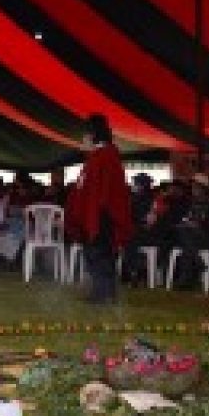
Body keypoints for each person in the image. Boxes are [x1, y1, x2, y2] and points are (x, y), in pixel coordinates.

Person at [65, 113, 132, 303]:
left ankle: (104, 294)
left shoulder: (106, 155)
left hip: (101, 215)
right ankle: (102, 292)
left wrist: (96, 213)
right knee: (96, 255)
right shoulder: (97, 156)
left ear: (93, 135)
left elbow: (106, 191)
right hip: (94, 213)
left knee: (100, 255)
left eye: (86, 134)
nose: (83, 139)